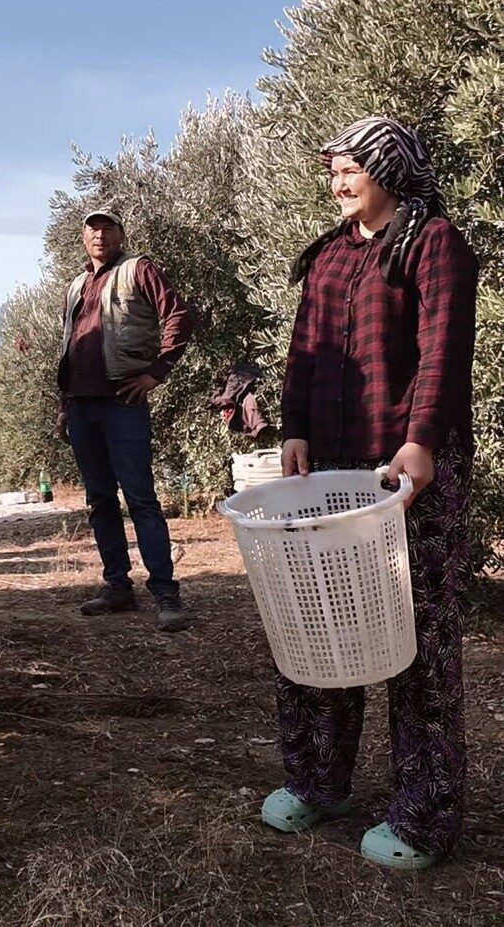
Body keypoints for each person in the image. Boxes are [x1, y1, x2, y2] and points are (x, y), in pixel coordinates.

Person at [263, 117, 478, 869]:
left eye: (352, 167)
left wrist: (419, 440)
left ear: (389, 167)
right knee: (322, 628)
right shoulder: (325, 257)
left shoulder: (433, 243)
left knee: (417, 643)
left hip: (407, 477)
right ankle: (319, 781)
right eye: (333, 169)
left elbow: (444, 352)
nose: (339, 179)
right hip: (333, 478)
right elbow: (304, 352)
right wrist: (293, 428)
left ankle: (424, 816)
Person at [56, 207, 196, 633]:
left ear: (120, 234)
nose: (100, 234)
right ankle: (118, 587)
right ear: (83, 237)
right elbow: (67, 346)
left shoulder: (139, 269)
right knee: (100, 501)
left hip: (122, 404)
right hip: (82, 407)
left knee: (140, 499)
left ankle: (166, 593)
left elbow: (180, 316)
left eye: (107, 227)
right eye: (92, 228)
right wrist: (64, 403)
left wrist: (156, 372)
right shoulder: (77, 285)